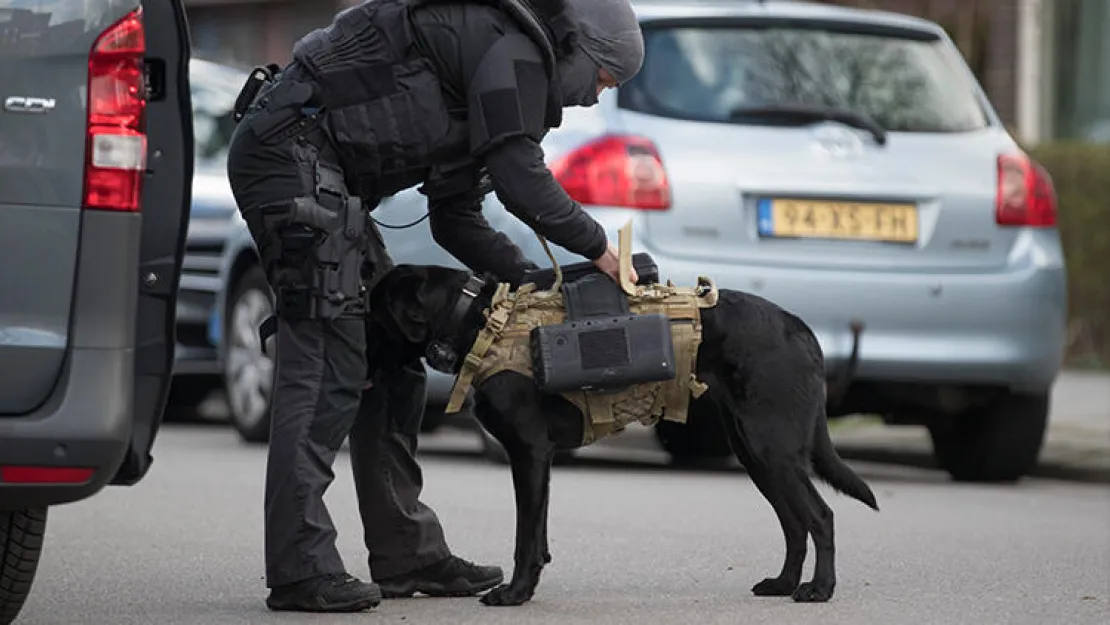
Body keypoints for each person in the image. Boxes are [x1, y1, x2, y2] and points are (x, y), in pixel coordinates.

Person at [224, 0, 645, 613]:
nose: (596, 96)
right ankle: (299, 568)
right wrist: (602, 249)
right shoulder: (514, 51)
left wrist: (530, 282)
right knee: (326, 362)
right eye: (604, 79)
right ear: (577, 48)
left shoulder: (501, 66)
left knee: (392, 356)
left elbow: (456, 219)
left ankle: (406, 554)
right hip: (287, 155)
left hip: (324, 174)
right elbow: (521, 177)